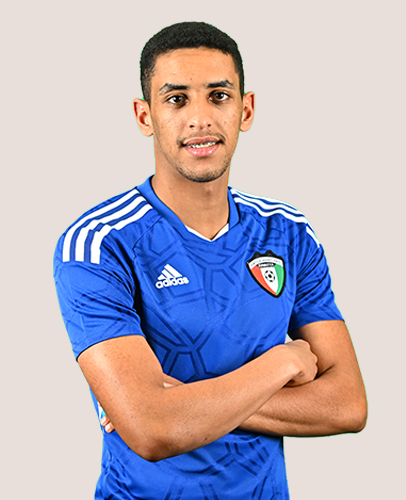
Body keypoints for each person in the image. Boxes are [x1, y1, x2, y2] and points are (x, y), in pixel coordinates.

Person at [54, 21, 367, 500]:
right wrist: (282, 362)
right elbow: (153, 432)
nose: (200, 118)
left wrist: (177, 402)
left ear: (246, 109)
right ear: (145, 116)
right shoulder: (98, 242)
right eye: (177, 99)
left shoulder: (288, 233)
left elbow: (348, 405)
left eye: (218, 96)